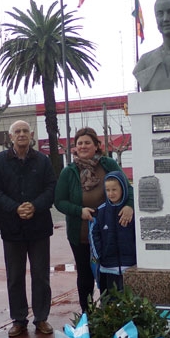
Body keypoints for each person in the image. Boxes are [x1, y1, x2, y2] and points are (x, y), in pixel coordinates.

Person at [0, 120, 56, 338]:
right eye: (17, 131)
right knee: (15, 277)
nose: (22, 134)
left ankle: (41, 318)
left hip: (39, 228)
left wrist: (34, 206)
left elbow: (51, 188)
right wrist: (15, 208)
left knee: (41, 275)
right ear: (11, 136)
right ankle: (19, 319)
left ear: (32, 134)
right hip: (12, 229)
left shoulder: (43, 161)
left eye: (25, 131)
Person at [54, 128, 134, 312]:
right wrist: (79, 211)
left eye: (87, 142)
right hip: (80, 233)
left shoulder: (108, 164)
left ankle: (111, 313)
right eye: (79, 143)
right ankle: (87, 314)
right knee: (85, 275)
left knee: (109, 273)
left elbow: (127, 188)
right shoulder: (69, 171)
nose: (83, 146)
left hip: (110, 231)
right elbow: (59, 201)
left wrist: (129, 205)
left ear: (97, 146)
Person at [90, 171, 137, 297]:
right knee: (111, 299)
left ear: (123, 188)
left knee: (129, 299)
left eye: (114, 189)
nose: (111, 193)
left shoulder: (132, 212)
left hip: (130, 264)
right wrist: (100, 255)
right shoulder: (101, 211)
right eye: (108, 190)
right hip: (108, 265)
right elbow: (94, 234)